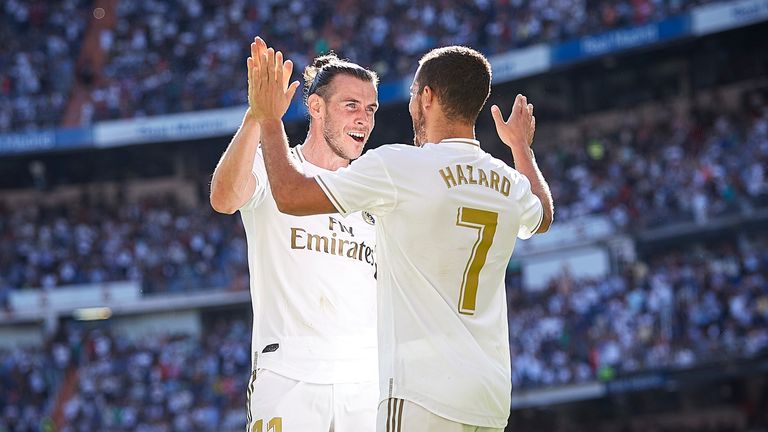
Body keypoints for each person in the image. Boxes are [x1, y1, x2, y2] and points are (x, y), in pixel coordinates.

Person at [250, 44, 553, 431]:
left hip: (421, 394)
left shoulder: (401, 166)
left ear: (427, 97)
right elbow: (543, 215)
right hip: (489, 396)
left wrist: (269, 118)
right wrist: (521, 149)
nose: (409, 105)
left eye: (412, 94)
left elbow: (291, 195)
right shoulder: (507, 182)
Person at [209, 37, 381, 432]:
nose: (364, 119)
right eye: (351, 105)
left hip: (365, 382)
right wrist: (259, 115)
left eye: (370, 109)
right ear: (316, 107)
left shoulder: (374, 187)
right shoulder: (276, 166)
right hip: (289, 376)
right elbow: (223, 198)